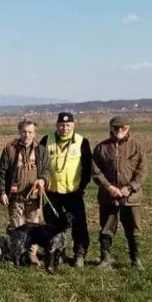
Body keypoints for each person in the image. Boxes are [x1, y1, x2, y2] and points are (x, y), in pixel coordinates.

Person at [91, 115, 148, 269]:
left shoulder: (136, 146)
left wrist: (129, 188)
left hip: (131, 197)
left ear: (128, 128)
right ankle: (105, 259)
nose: (119, 131)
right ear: (110, 128)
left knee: (133, 230)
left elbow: (142, 171)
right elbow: (96, 172)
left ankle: (136, 260)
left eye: (123, 128)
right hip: (108, 197)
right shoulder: (101, 148)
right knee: (106, 229)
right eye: (116, 128)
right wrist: (109, 187)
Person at [39, 112, 93, 267]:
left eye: (68, 125)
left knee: (79, 224)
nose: (64, 128)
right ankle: (57, 254)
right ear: (56, 125)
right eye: (61, 125)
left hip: (73, 193)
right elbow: (39, 164)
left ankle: (79, 254)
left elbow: (87, 168)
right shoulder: (46, 140)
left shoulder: (82, 142)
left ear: (73, 125)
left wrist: (81, 187)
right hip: (51, 193)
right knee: (52, 225)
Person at [0, 118, 48, 229]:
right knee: (17, 230)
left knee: (34, 231)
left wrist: (43, 180)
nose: (27, 135)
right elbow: (2, 172)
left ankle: (32, 247)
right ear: (19, 132)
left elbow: (47, 170)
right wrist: (2, 192)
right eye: (24, 132)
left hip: (34, 198)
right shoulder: (10, 149)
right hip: (15, 197)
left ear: (35, 134)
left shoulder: (41, 150)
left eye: (30, 132)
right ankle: (17, 247)